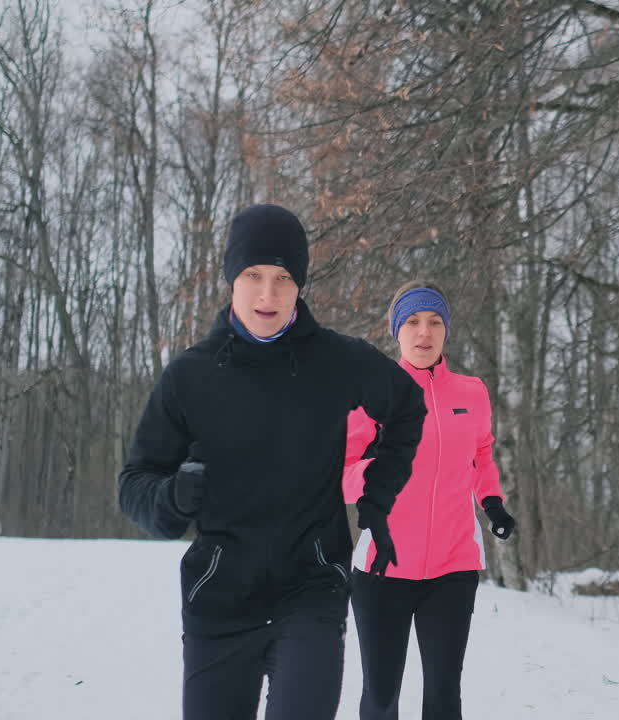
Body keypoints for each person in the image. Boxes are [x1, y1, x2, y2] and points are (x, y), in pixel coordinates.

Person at [117, 203, 427, 720]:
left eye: (283, 277)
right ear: (230, 279)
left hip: (310, 593)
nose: (268, 294)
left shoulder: (335, 360)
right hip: (219, 603)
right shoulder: (190, 377)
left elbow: (407, 408)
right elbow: (134, 483)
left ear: (300, 284)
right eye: (254, 275)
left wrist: (377, 497)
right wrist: (171, 498)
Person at [343, 280, 516, 720]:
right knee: (381, 700)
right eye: (414, 322)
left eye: (435, 322)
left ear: (446, 331)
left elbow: (481, 453)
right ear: (396, 331)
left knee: (443, 698)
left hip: (452, 570)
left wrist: (492, 502)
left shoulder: (472, 392)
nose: (424, 332)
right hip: (383, 570)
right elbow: (340, 479)